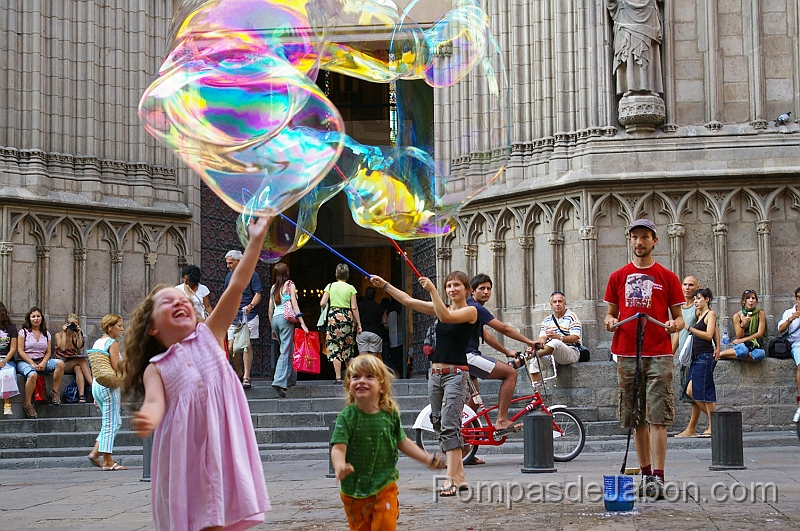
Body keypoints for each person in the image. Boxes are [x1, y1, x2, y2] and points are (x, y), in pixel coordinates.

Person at [124, 215, 272, 531]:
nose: (179, 301)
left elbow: (237, 285)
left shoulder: (208, 334)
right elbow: (153, 401)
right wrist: (148, 416)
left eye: (183, 299)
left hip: (219, 444)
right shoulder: (157, 367)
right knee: (197, 515)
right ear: (152, 328)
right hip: (186, 453)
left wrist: (255, 242)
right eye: (168, 302)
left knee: (215, 515)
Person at [371, 271, 477, 497]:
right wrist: (386, 285)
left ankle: (450, 478)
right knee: (440, 423)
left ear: (467, 290)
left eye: (457, 285)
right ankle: (461, 477)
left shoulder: (471, 311)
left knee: (449, 423)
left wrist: (432, 290)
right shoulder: (441, 309)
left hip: (456, 374)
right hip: (435, 374)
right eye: (448, 285)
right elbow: (409, 301)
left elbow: (447, 318)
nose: (452, 289)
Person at [604, 219, 683, 500]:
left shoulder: (668, 277)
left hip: (659, 353)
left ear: (654, 241)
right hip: (626, 353)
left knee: (657, 416)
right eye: (635, 237)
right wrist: (611, 321)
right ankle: (646, 472)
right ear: (630, 241)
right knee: (635, 416)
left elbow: (680, 319)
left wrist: (675, 326)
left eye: (645, 237)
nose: (640, 242)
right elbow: (610, 314)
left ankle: (659, 478)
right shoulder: (618, 277)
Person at [330, 354, 444, 531]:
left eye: (369, 376)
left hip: (385, 485)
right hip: (354, 491)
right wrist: (339, 467)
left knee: (385, 526)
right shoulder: (346, 418)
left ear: (382, 386)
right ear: (348, 385)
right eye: (356, 377)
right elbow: (338, 448)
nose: (361, 381)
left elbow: (403, 442)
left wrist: (427, 459)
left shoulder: (390, 414)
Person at [465, 274, 539, 444]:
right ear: (472, 290)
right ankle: (502, 420)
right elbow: (504, 328)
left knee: (473, 406)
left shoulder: (470, 307)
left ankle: (467, 450)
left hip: (462, 359)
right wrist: (530, 342)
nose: (486, 292)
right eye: (481, 288)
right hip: (468, 357)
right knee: (510, 373)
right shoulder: (476, 308)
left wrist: (506, 351)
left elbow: (486, 335)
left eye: (488, 288)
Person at [675, 289, 717, 438]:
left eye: (698, 299)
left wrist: (689, 328)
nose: (696, 302)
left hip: (705, 357)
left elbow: (709, 334)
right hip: (696, 357)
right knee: (691, 391)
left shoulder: (710, 314)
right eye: (694, 299)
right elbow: (716, 331)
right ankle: (718, 421)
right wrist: (718, 347)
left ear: (707, 299)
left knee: (705, 392)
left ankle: (714, 426)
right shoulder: (700, 315)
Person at [86, 314, 126, 471]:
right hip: (109, 386)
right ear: (110, 327)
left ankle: (95, 453)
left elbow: (96, 367)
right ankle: (107, 461)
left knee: (115, 422)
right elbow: (116, 367)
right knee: (110, 423)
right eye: (119, 326)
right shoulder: (112, 343)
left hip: (97, 385)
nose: (122, 329)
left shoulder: (98, 341)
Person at [222, 249, 262, 388]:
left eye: (230, 263)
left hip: (248, 315)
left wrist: (251, 305)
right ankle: (239, 375)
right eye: (227, 263)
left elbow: (258, 293)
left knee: (246, 345)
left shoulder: (252, 274)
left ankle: (246, 377)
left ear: (239, 261)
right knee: (232, 347)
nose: (228, 266)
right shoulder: (229, 276)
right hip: (233, 315)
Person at [606, 0, 664, 96]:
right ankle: (630, 87)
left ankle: (649, 87)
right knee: (629, 49)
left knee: (645, 50)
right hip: (625, 13)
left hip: (647, 11)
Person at [16, 307, 64, 418]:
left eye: (38, 316)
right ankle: (27, 404)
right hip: (25, 361)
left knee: (60, 363)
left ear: (42, 318)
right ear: (29, 318)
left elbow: (48, 352)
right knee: (33, 375)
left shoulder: (46, 334)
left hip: (42, 361)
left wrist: (43, 362)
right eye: (33, 316)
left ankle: (54, 392)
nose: (36, 319)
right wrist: (32, 363)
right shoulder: (23, 332)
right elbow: (20, 351)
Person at [269, 262, 308, 397]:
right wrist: (302, 322)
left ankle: (291, 379)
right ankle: (279, 381)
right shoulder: (290, 285)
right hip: (286, 320)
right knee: (285, 350)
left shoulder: (273, 288)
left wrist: (272, 327)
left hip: (275, 319)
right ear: (286, 272)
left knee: (289, 347)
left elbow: (270, 309)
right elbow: (295, 305)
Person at [528, 291, 582, 381]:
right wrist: (536, 346)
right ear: (551, 304)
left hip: (571, 352)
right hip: (551, 354)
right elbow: (542, 339)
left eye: (560, 301)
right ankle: (536, 394)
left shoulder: (572, 317)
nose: (557, 304)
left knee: (555, 342)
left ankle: (531, 355)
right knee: (534, 362)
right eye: (555, 302)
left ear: (565, 303)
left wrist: (558, 337)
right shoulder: (547, 320)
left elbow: (575, 338)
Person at [320, 264, 361, 383]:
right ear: (347, 275)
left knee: (334, 346)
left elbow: (322, 303)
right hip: (347, 318)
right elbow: (354, 307)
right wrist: (358, 323)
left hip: (333, 317)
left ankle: (338, 377)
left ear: (336, 275)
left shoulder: (330, 286)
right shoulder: (351, 288)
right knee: (348, 347)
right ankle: (350, 377)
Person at [718, 290, 766, 361]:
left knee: (760, 355)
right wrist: (743, 324)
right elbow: (739, 336)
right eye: (748, 298)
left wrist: (743, 339)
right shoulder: (737, 316)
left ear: (756, 301)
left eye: (753, 298)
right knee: (743, 351)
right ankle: (720, 354)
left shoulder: (760, 313)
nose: (751, 300)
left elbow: (760, 333)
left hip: (755, 342)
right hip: (742, 344)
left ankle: (728, 355)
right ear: (744, 301)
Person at [54, 314, 92, 403]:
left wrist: (78, 334)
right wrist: (65, 333)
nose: (72, 326)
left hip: (73, 363)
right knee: (81, 360)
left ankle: (81, 396)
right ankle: (93, 386)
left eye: (75, 324)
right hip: (62, 364)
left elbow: (80, 347)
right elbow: (63, 348)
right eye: (71, 324)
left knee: (78, 368)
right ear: (66, 323)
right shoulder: (58, 335)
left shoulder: (75, 336)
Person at [777, 287, 800, 406]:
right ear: (796, 299)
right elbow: (780, 329)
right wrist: (791, 319)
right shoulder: (789, 313)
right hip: (796, 344)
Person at [356, 287, 387, 358]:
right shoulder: (380, 307)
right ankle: (372, 369)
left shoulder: (359, 305)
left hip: (362, 332)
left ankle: (363, 369)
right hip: (376, 333)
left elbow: (355, 319)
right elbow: (384, 321)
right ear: (375, 295)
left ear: (365, 294)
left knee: (362, 357)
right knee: (374, 357)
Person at [0, 302, 19, 415]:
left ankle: (7, 404)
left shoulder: (11, 329)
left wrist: (4, 361)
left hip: (6, 358)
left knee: (7, 373)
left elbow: (13, 349)